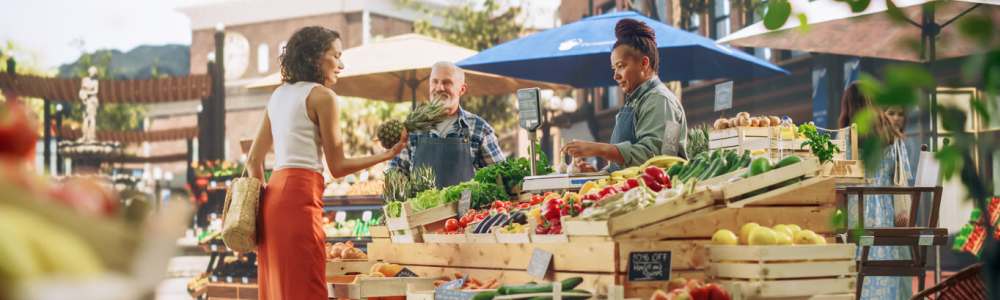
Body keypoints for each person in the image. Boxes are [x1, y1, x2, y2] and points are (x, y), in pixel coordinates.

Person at [246, 26, 407, 299]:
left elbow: (252, 160)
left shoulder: (278, 95)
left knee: (279, 288)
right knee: (307, 283)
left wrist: (260, 211)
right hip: (299, 197)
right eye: (336, 55)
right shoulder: (323, 97)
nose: (341, 64)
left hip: (272, 199)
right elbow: (338, 166)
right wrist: (386, 155)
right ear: (314, 57)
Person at [562, 18, 687, 172]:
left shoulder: (661, 100)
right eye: (614, 68)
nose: (615, 75)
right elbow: (625, 168)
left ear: (644, 63)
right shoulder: (635, 102)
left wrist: (600, 149)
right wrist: (597, 174)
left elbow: (657, 158)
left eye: (621, 66)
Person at [838, 82, 912, 300]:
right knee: (884, 263)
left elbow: (837, 180)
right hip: (884, 211)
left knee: (858, 268)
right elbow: (902, 176)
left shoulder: (844, 139)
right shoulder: (892, 136)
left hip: (854, 212)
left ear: (848, 106)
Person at [387, 61, 506, 187]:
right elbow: (394, 176)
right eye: (435, 82)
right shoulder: (413, 129)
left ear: (462, 89)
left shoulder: (479, 129)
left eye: (446, 82)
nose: (439, 88)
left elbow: (501, 178)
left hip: (466, 207)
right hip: (420, 207)